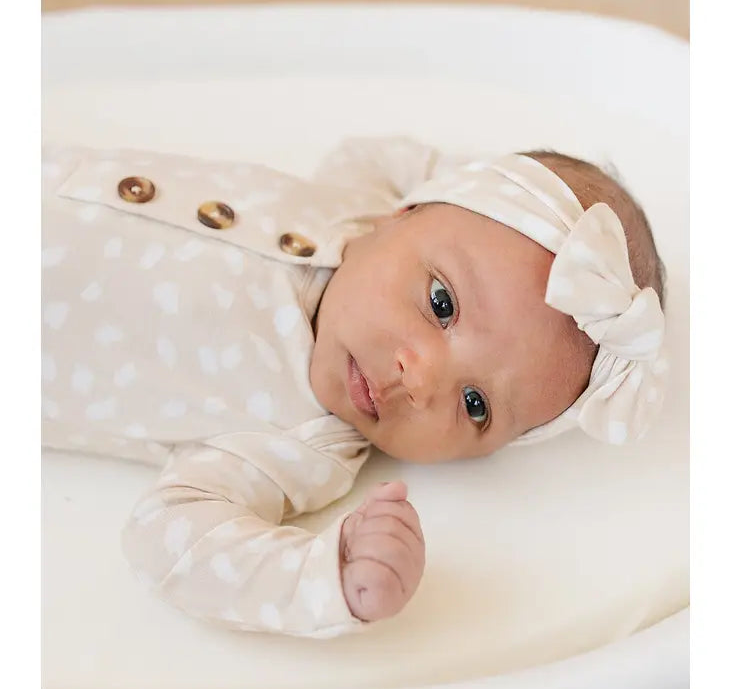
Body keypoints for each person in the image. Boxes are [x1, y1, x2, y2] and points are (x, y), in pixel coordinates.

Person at [41, 136, 667, 637]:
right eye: (441, 303)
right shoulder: (351, 203)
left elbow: (170, 536)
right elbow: (378, 154)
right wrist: (475, 184)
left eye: (474, 405)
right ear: (402, 216)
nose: (418, 380)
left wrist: (326, 576)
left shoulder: (299, 442)